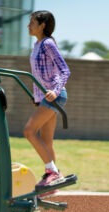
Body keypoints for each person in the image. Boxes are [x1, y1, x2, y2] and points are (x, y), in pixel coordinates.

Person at [24, 10, 71, 198]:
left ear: (42, 25)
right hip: (44, 97)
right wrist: (37, 98)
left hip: (54, 96)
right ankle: (53, 183)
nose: (29, 25)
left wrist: (55, 90)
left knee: (28, 131)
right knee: (47, 141)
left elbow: (64, 70)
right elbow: (39, 75)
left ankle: (53, 173)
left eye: (32, 22)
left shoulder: (48, 44)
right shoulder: (36, 45)